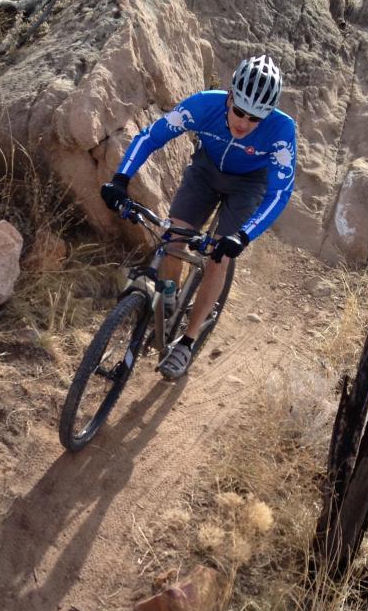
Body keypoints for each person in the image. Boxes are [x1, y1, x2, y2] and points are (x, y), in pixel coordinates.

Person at [101, 54, 296, 380]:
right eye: (239, 111)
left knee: (219, 255)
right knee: (174, 236)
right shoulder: (205, 105)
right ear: (230, 96)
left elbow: (279, 194)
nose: (244, 123)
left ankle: (187, 342)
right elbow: (151, 136)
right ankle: (169, 294)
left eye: (255, 117)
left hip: (249, 186)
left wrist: (243, 235)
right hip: (206, 171)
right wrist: (120, 180)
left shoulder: (281, 130)